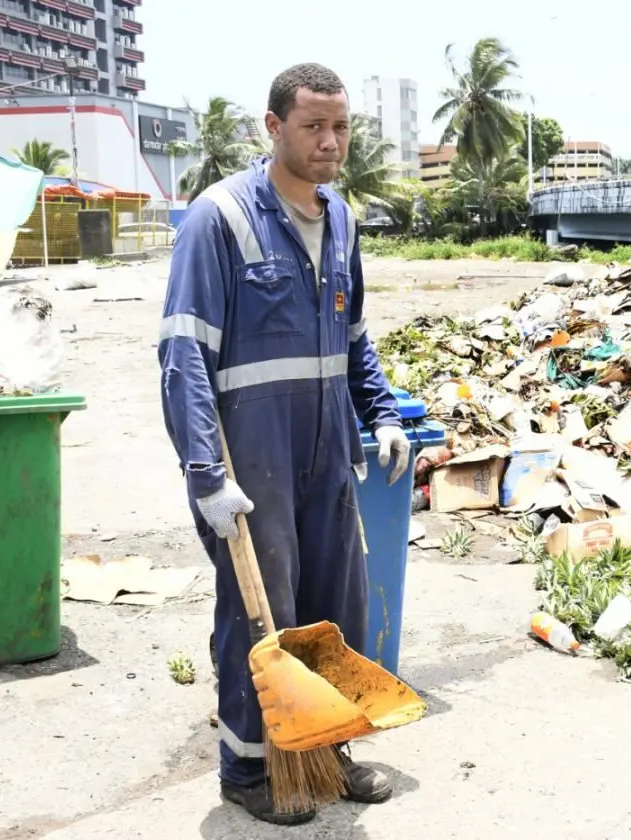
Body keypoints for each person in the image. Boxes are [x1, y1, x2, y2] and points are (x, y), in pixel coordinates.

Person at [157, 62, 411, 826]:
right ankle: (246, 767)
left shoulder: (342, 218)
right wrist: (204, 471)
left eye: (340, 128)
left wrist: (384, 413)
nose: (330, 142)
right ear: (273, 128)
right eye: (313, 127)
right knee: (259, 614)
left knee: (334, 607)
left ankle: (327, 749)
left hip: (327, 448)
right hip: (250, 455)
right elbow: (183, 353)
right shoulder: (219, 218)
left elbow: (354, 334)